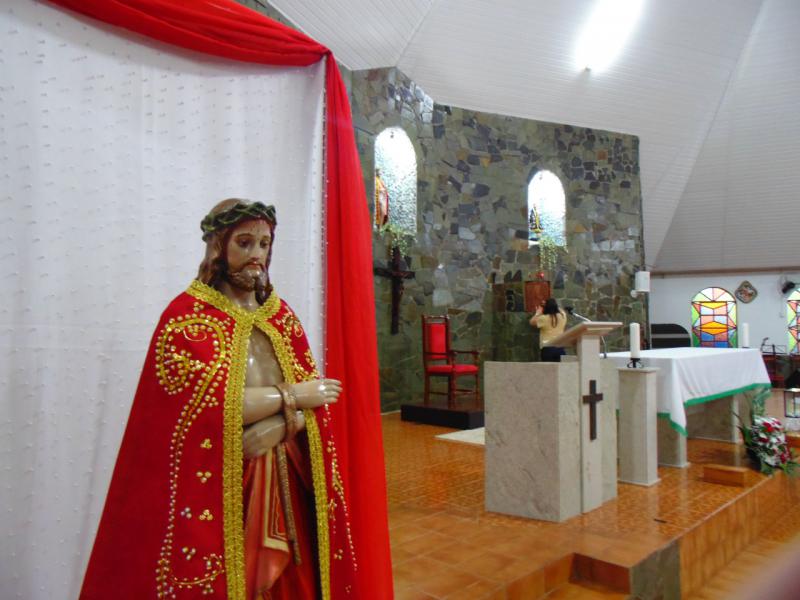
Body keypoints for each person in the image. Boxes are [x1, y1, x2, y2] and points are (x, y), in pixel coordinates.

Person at [81, 199, 358, 599]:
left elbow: (314, 416)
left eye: (264, 244)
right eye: (244, 243)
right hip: (226, 483)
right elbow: (209, 407)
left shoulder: (282, 318)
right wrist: (294, 396)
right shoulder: (187, 319)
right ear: (217, 247)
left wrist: (279, 425)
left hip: (286, 478)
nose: (256, 256)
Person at [530, 297, 567, 362]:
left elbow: (532, 322)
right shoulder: (563, 316)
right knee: (560, 370)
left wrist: (538, 313)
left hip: (547, 348)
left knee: (548, 370)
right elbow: (561, 310)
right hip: (560, 347)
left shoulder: (544, 318)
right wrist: (553, 305)